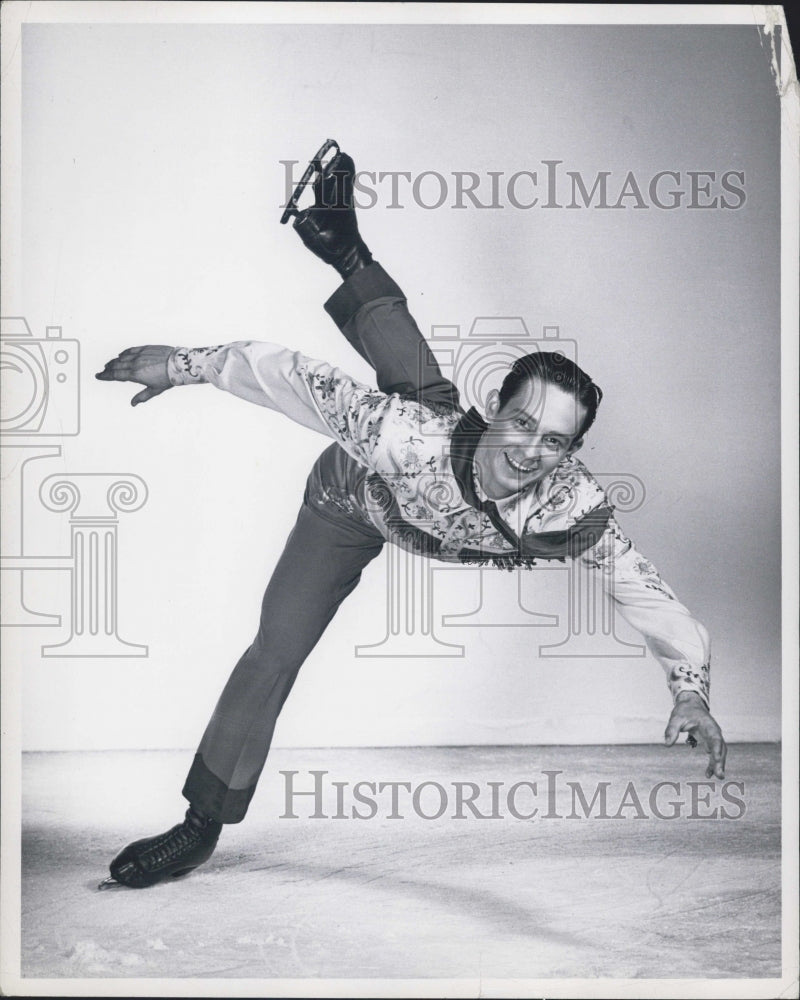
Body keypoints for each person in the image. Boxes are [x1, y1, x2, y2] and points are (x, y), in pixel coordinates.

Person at [95, 142, 727, 889]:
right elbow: (289, 375)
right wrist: (182, 364)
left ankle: (343, 243)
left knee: (424, 393)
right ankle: (200, 826)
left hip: (435, 463)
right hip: (356, 498)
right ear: (495, 407)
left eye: (555, 441)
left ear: (577, 451)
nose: (530, 453)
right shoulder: (400, 437)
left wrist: (688, 685)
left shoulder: (571, 503)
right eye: (522, 425)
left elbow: (639, 586)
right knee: (276, 647)